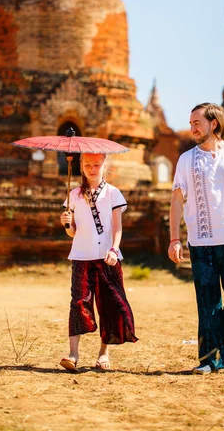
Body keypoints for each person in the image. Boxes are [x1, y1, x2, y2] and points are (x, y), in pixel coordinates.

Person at [168, 103, 224, 374]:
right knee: (207, 302)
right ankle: (210, 360)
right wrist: (175, 239)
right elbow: (176, 201)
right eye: (191, 123)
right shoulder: (186, 160)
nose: (192, 128)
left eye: (197, 122)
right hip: (201, 242)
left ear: (214, 124)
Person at [59, 152, 137, 371]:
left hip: (107, 257)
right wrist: (66, 223)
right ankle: (73, 354)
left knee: (108, 305)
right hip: (81, 256)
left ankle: (103, 353)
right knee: (78, 303)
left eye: (96, 164)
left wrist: (114, 248)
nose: (92, 168)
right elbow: (73, 233)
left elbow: (117, 227)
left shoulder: (113, 193)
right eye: (87, 164)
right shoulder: (73, 195)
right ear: (81, 167)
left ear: (105, 166)